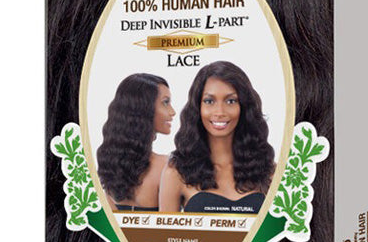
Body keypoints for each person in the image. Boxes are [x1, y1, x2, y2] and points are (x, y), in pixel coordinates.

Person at [160, 61, 275, 214]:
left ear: (243, 106)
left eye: (230, 101)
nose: (220, 112)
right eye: (209, 101)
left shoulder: (269, 171)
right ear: (198, 107)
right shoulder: (176, 173)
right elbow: (163, 229)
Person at [97, 74, 175, 211]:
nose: (172, 111)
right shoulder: (166, 166)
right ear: (143, 109)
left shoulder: (110, 164)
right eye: (165, 102)